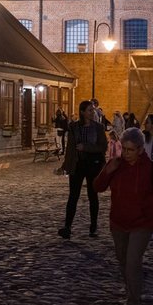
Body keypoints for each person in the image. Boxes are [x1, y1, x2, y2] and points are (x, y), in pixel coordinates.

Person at [93, 127, 153, 305]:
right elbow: (97, 187)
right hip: (118, 222)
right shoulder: (116, 165)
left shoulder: (151, 169)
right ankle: (132, 287)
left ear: (140, 149)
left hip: (142, 222)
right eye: (124, 149)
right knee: (123, 260)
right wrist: (107, 171)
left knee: (133, 261)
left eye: (130, 150)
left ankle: (133, 302)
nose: (126, 153)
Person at [59, 99, 108, 239]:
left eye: (93, 110)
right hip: (78, 164)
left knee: (93, 196)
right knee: (73, 196)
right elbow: (70, 148)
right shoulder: (74, 127)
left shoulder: (98, 127)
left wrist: (86, 147)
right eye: (90, 110)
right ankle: (67, 227)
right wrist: (66, 165)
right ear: (82, 112)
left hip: (93, 165)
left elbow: (103, 147)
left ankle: (93, 226)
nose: (93, 112)